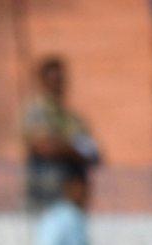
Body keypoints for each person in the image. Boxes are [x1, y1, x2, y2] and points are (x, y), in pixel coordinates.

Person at [22, 56, 97, 212]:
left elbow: (92, 152)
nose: (58, 85)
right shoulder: (36, 112)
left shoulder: (73, 118)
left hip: (74, 201)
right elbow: (43, 146)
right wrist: (73, 150)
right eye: (53, 80)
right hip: (45, 200)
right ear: (43, 82)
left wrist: (66, 147)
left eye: (60, 80)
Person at [34, 165, 90, 245]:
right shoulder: (57, 218)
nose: (85, 194)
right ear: (68, 188)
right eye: (81, 188)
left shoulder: (76, 217)